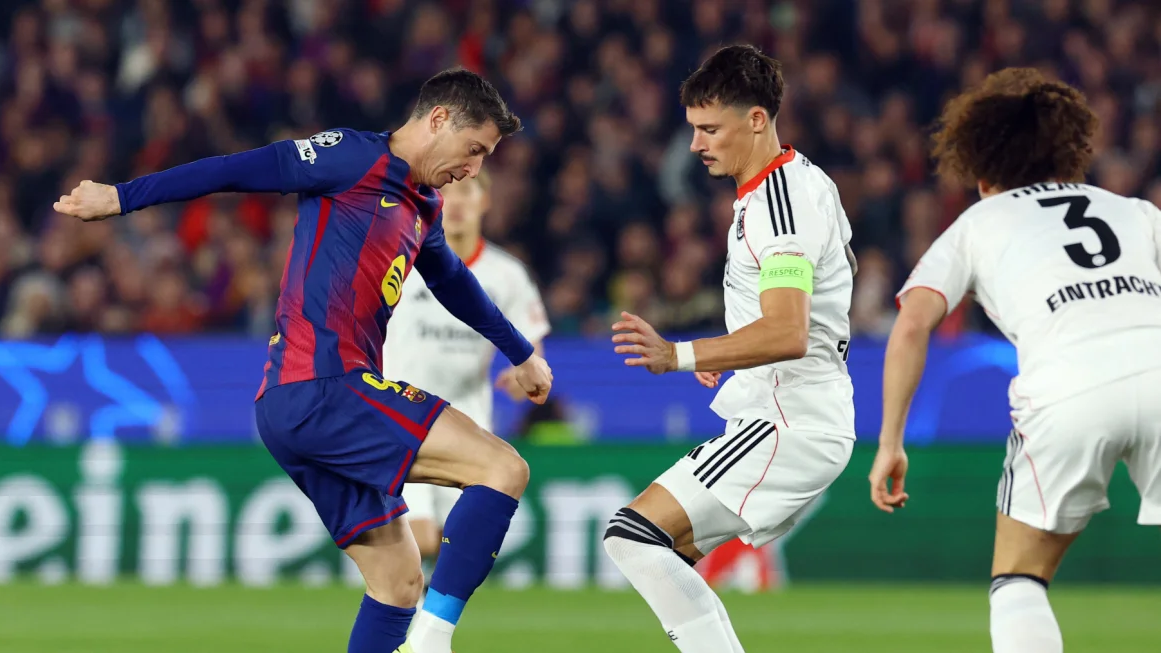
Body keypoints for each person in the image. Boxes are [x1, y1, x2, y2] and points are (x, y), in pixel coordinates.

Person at [53, 68, 553, 653]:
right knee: (503, 469)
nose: (474, 169)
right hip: (323, 386)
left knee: (398, 583)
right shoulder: (349, 156)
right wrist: (120, 197)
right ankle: (432, 643)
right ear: (439, 119)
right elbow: (235, 169)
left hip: (299, 405)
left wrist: (521, 353)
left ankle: (418, 635)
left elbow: (453, 283)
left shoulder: (424, 205)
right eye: (474, 150)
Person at [869, 67, 1161, 653]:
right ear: (1067, 153)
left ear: (981, 172)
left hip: (1068, 391)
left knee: (1019, 580)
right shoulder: (1133, 210)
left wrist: (889, 442)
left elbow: (911, 324)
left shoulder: (977, 222)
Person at [603, 45, 858, 653]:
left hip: (787, 422)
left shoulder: (779, 207)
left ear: (757, 120)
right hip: (787, 411)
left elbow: (789, 332)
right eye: (693, 128)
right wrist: (730, 361)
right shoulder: (792, 183)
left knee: (631, 534)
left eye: (709, 128)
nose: (696, 144)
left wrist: (682, 355)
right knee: (664, 554)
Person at [382, 171, 550, 582]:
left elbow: (533, 352)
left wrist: (520, 375)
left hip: (467, 422)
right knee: (420, 539)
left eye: (466, 191)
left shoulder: (507, 275)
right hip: (399, 417)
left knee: (448, 541)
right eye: (445, 192)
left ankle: (423, 635)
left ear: (485, 201)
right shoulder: (402, 260)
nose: (454, 202)